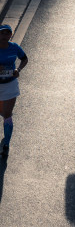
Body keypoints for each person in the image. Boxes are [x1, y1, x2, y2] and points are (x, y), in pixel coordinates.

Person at [0, 24, 28, 157]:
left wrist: (18, 70)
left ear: (10, 35)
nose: (4, 36)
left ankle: (6, 144)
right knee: (2, 112)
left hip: (10, 84)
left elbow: (24, 58)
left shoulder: (14, 47)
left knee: (7, 114)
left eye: (7, 33)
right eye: (2, 33)